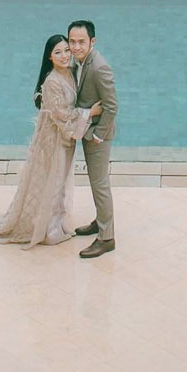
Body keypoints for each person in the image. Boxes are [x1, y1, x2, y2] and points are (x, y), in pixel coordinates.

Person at [0, 34, 98, 247]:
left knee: (59, 181)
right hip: (52, 140)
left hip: (64, 139)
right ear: (49, 57)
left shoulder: (71, 73)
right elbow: (62, 115)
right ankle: (48, 229)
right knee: (51, 179)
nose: (64, 56)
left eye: (66, 50)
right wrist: (90, 113)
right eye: (57, 52)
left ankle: (55, 222)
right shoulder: (51, 82)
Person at [66, 19, 116, 258]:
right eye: (72, 41)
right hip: (87, 129)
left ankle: (107, 238)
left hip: (97, 135)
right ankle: (100, 221)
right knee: (96, 182)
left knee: (100, 184)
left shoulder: (99, 67)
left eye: (81, 42)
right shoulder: (80, 62)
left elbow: (112, 106)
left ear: (92, 42)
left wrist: (98, 134)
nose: (76, 47)